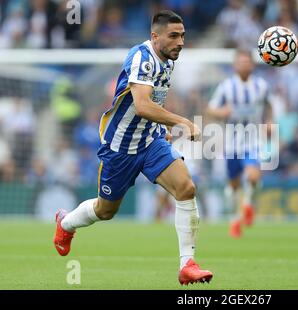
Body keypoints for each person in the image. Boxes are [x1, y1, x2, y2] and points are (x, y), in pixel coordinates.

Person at [53, 10, 213, 285]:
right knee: (106, 211)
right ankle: (65, 223)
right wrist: (182, 122)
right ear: (155, 36)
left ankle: (187, 264)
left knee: (186, 188)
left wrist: (161, 125)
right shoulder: (141, 57)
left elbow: (153, 102)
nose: (180, 42)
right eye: (174, 36)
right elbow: (141, 104)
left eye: (183, 36)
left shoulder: (169, 59)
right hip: (120, 147)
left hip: (150, 141)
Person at [207, 49, 272, 238]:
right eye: (241, 62)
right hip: (232, 143)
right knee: (233, 187)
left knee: (252, 177)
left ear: (252, 65)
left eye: (247, 62)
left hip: (253, 140)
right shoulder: (226, 87)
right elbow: (211, 108)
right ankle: (235, 220)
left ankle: (248, 204)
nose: (244, 65)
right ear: (235, 65)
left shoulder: (261, 86)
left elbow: (269, 106)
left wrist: (269, 122)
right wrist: (221, 113)